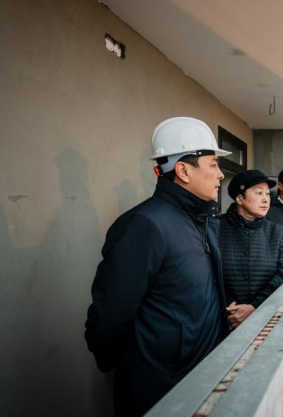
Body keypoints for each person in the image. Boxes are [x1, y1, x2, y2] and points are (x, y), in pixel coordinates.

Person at [85, 117, 231, 417]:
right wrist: (128, 367)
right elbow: (111, 314)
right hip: (160, 389)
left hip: (198, 379)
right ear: (183, 170)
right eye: (214, 164)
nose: (221, 175)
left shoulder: (201, 220)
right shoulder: (145, 225)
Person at [219, 170, 283, 328]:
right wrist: (229, 307)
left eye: (267, 193)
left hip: (264, 318)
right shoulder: (216, 227)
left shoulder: (276, 231)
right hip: (223, 318)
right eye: (259, 193)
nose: (265, 199)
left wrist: (255, 306)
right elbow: (207, 274)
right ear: (240, 198)